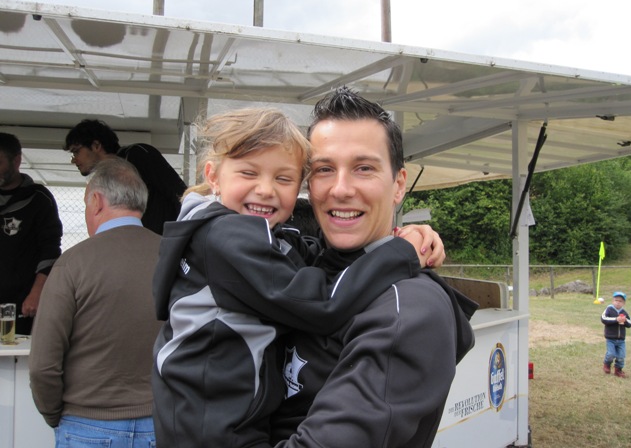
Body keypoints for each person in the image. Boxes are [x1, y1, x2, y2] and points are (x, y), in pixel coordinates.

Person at [151, 107, 445, 448]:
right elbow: (324, 303)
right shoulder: (225, 238)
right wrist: (400, 253)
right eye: (248, 172)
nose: (265, 190)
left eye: (283, 179)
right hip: (211, 429)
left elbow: (305, 253)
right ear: (213, 176)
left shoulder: (235, 232)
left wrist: (399, 237)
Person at [270, 87, 477, 448]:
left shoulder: (408, 309)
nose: (340, 189)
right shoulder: (309, 264)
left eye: (364, 168)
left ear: (399, 185)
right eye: (324, 169)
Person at [29, 158, 163, 446]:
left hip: (86, 424)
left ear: (97, 202)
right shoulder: (174, 258)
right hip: (161, 423)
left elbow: (43, 365)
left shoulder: (72, 264)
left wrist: (54, 414)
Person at [63, 119, 187, 235]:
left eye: (76, 151)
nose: (73, 160)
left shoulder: (137, 155)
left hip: (162, 241)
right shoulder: (104, 177)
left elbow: (180, 194)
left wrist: (182, 239)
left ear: (96, 145)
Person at [0, 132, 62, 335]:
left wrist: (37, 293)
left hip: (22, 306)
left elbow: (50, 250)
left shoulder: (39, 199)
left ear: (17, 161)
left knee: (14, 350)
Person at [601, 291, 631, 378]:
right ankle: (607, 364)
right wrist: (616, 319)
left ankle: (618, 370)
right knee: (611, 354)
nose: (618, 302)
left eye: (620, 301)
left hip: (621, 339)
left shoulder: (624, 312)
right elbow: (603, 319)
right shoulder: (609, 309)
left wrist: (625, 320)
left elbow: (630, 323)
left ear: (624, 303)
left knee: (621, 356)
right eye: (616, 300)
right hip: (610, 338)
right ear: (612, 301)